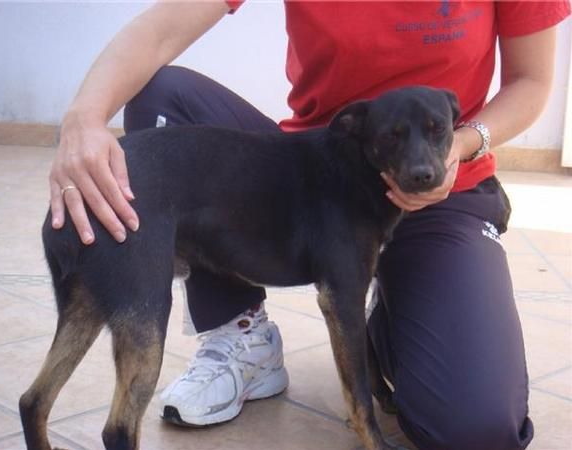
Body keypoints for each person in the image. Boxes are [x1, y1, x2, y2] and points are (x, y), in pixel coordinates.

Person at [49, 1, 570, 449]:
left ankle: (397, 318)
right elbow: (162, 27)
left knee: (477, 429)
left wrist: (461, 142)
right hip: (314, 173)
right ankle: (239, 333)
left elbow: (533, 79)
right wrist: (82, 120)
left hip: (445, 186)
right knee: (161, 95)